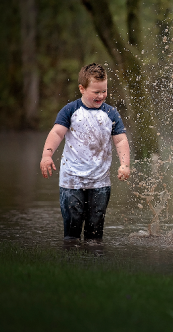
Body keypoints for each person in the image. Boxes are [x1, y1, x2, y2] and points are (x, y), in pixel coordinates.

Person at [40, 63, 131, 242]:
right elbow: (57, 133)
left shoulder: (111, 113)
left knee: (95, 232)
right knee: (72, 230)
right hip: (71, 181)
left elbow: (120, 140)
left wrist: (125, 164)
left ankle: (94, 261)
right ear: (82, 89)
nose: (101, 96)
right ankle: (71, 260)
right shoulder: (70, 110)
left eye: (104, 91)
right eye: (96, 92)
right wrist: (47, 155)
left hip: (100, 181)